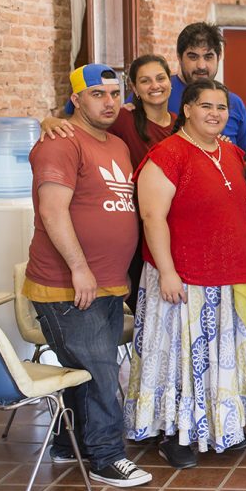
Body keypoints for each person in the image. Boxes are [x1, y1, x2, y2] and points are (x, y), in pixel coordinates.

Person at [125, 79, 246, 469]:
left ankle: (221, 427)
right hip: (183, 279)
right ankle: (175, 434)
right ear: (186, 109)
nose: (215, 114)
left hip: (231, 275)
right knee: (183, 358)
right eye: (206, 106)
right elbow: (152, 216)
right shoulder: (168, 154)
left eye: (222, 108)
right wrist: (168, 272)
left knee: (220, 358)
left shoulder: (232, 152)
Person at [24, 64, 152, 487]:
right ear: (76, 99)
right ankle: (106, 457)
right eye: (97, 94)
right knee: (97, 368)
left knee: (84, 366)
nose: (109, 101)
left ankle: (68, 444)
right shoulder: (59, 143)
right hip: (67, 284)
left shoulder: (115, 144)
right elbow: (52, 211)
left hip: (107, 283)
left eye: (114, 93)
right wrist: (80, 268)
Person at [39, 55, 178, 314]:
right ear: (135, 89)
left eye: (160, 78)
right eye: (144, 80)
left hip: (173, 233)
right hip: (140, 235)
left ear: (170, 82)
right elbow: (80, 119)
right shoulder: (122, 119)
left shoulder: (181, 123)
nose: (154, 85)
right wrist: (50, 122)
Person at [166, 22, 246, 150]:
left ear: (219, 58)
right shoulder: (159, 94)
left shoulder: (234, 103)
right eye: (193, 57)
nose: (201, 65)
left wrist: (227, 151)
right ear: (179, 57)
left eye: (208, 57)